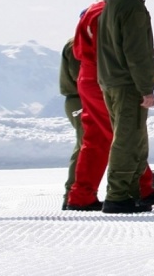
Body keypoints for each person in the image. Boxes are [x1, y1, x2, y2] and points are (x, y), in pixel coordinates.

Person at [66, 0, 154, 211]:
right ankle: (136, 190)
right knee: (126, 134)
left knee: (99, 138)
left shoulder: (92, 10)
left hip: (90, 78)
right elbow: (121, 49)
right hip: (109, 77)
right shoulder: (108, 12)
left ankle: (81, 195)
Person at [98, 0, 154, 214]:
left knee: (132, 138)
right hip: (128, 85)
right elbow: (137, 52)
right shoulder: (132, 6)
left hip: (111, 82)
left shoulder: (112, 4)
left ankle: (130, 193)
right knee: (128, 140)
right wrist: (146, 87)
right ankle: (118, 195)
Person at [59, 36, 82, 210]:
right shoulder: (77, 44)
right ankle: (72, 194)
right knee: (85, 145)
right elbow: (80, 75)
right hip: (80, 99)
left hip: (80, 98)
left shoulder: (77, 41)